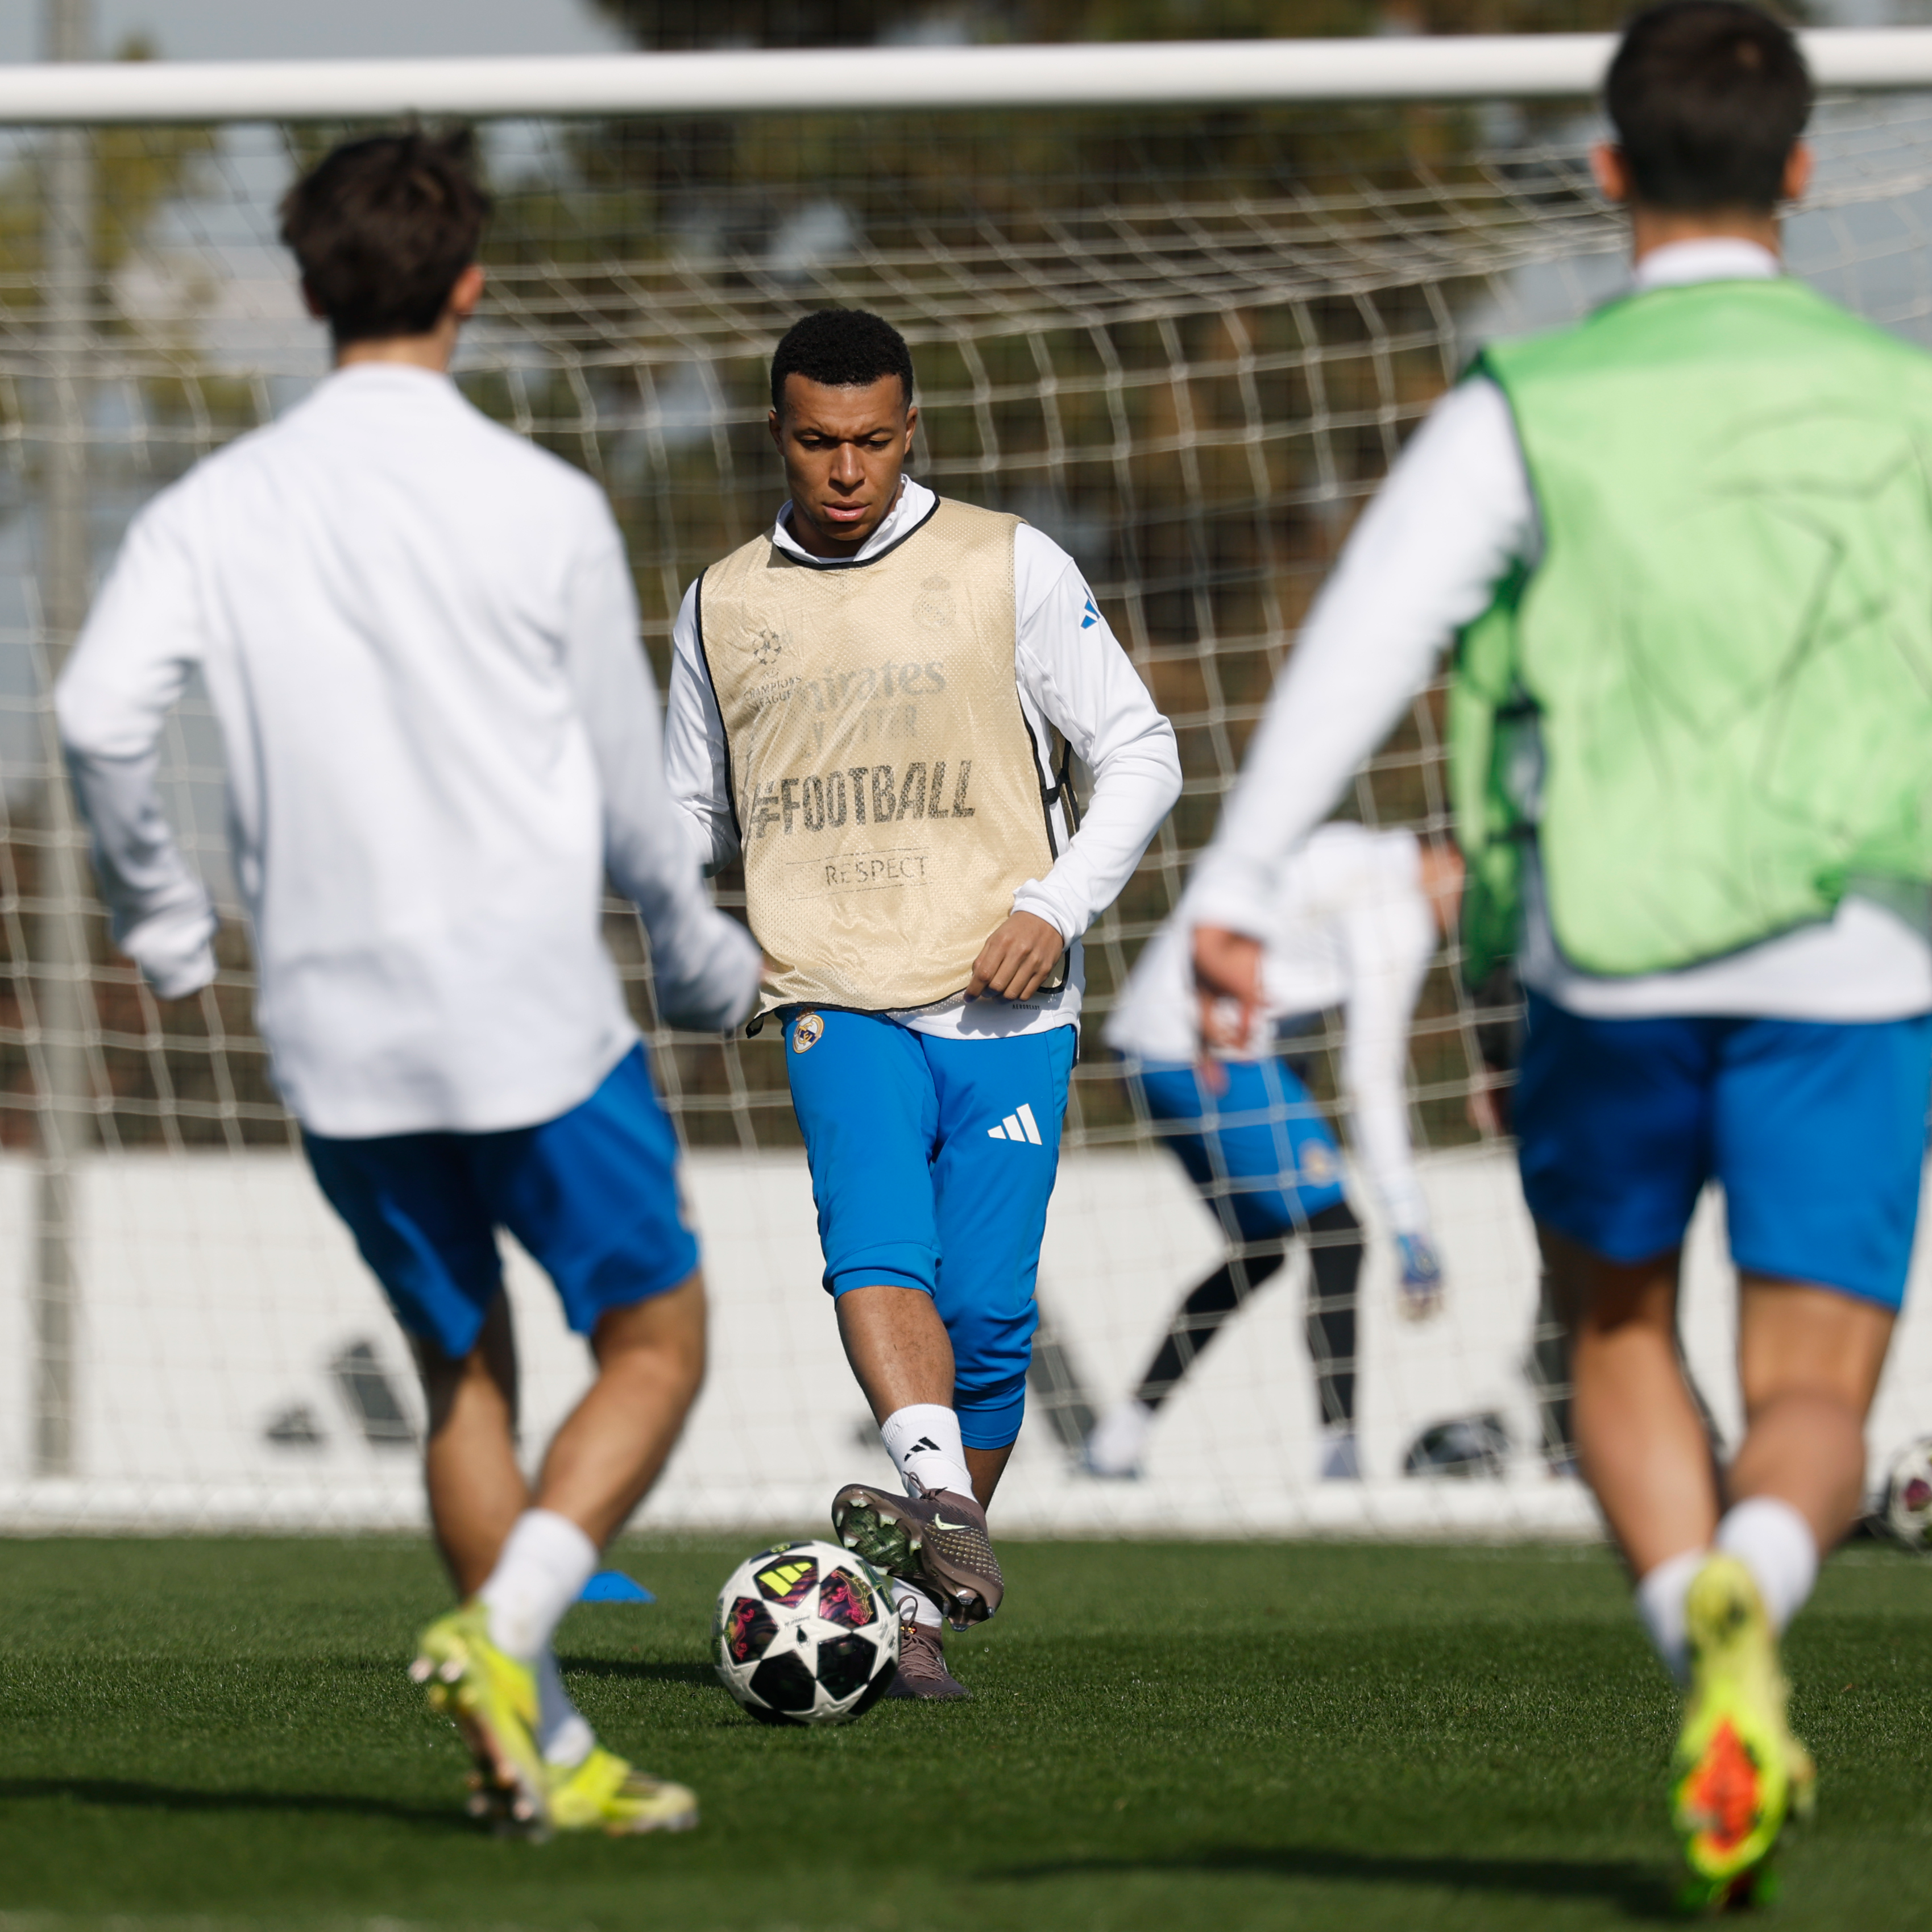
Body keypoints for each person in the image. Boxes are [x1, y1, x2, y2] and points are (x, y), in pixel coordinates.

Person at [1185, 5, 1932, 1903]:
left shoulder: (1526, 401)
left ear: (1605, 174)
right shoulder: (1900, 398)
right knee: (1811, 1392)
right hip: (1853, 948)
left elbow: (1362, 640)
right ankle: (1756, 1585)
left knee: (1610, 1326)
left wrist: (1236, 884)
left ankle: (1701, 1647)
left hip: (1602, 947)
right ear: (1797, 173)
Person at [55, 131, 760, 1836]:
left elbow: (90, 713)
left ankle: (531, 1755)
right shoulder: (541, 502)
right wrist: (697, 953)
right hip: (529, 1021)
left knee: (463, 1374)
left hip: (333, 1033)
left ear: (308, 288)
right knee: (657, 1340)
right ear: (471, 284)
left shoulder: (214, 507)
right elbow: (628, 790)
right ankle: (506, 1635)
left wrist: (162, 919)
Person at [665, 308, 1180, 1698]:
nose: (846, 470)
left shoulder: (1006, 563)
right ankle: (943, 1503)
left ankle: (910, 1598)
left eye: (873, 441)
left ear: (912, 431)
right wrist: (663, 918)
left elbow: (1139, 751)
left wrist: (1054, 905)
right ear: (777, 435)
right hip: (832, 985)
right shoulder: (721, 602)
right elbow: (689, 811)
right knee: (876, 1242)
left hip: (1006, 993)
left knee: (992, 1322)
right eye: (817, 442)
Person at [1087, 823, 1461, 1483]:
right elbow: (1369, 1076)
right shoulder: (1397, 912)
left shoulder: (1345, 848)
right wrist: (1410, 1224)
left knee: (1259, 1250)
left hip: (1143, 1038)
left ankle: (1117, 1440)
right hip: (1199, 1048)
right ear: (1448, 858)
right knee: (1337, 1233)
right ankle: (1339, 1460)